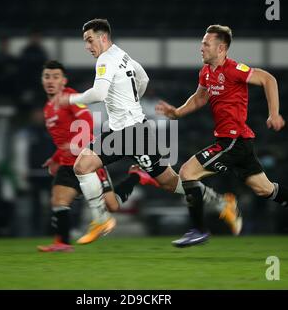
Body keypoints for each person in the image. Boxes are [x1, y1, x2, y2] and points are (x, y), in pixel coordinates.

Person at [55, 19, 241, 245]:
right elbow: (143, 78)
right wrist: (132, 101)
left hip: (129, 133)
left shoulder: (105, 59)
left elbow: (99, 93)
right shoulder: (122, 55)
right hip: (134, 131)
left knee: (82, 166)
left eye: (89, 40)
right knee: (169, 182)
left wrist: (70, 99)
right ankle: (222, 202)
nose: (87, 46)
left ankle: (101, 218)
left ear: (103, 37)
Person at [155, 24, 288, 247]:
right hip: (237, 142)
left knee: (187, 172)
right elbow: (200, 98)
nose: (201, 48)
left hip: (234, 141)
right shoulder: (206, 72)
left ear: (221, 48)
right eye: (202, 43)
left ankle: (198, 230)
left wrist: (274, 113)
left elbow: (268, 79)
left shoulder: (234, 69)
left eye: (206, 44)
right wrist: (177, 112)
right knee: (265, 189)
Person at [36, 60, 152, 252]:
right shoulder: (48, 108)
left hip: (87, 161)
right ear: (42, 80)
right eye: (47, 76)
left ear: (63, 81)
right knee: (58, 200)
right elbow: (61, 140)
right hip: (67, 164)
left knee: (112, 206)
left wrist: (74, 145)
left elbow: (86, 121)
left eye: (55, 77)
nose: (51, 80)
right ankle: (62, 243)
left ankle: (136, 176)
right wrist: (55, 157)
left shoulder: (71, 97)